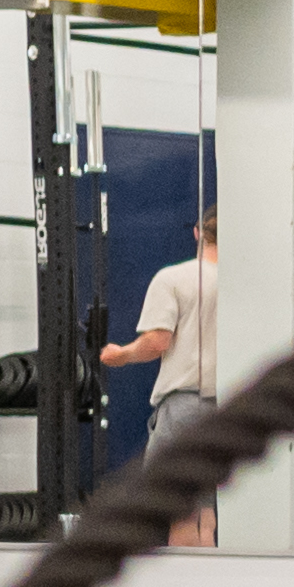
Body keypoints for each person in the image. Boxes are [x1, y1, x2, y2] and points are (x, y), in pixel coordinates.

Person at [98, 207, 218, 547]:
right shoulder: (243, 286)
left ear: (197, 233)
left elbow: (157, 341)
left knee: (179, 512)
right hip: (227, 406)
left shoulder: (175, 279)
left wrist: (122, 355)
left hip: (185, 407)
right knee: (205, 515)